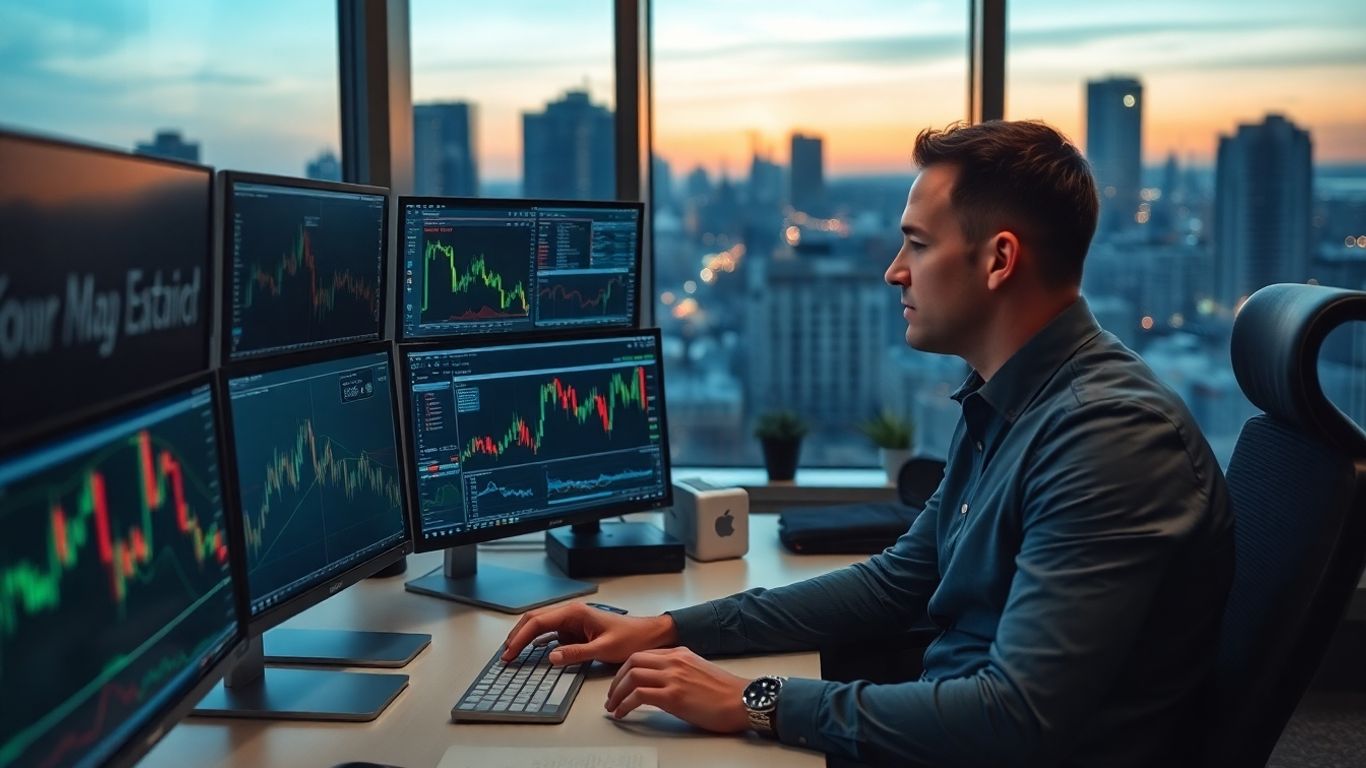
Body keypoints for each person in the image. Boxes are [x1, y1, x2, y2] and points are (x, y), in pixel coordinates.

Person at [502, 120, 1234, 767]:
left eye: (917, 243)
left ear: (999, 260)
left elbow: (1017, 721)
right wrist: (661, 629)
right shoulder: (1011, 401)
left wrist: (756, 701)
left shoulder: (1107, 440)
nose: (895, 271)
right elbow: (898, 581)